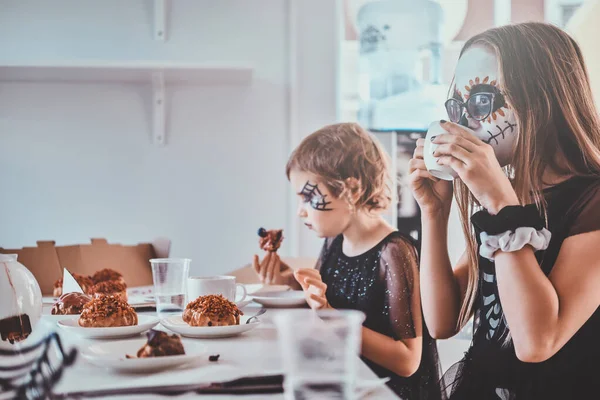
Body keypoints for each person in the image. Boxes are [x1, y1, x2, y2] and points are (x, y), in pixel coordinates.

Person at [409, 22, 600, 399]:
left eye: (482, 100)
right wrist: (434, 213)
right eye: (458, 106)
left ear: (543, 99)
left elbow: (536, 342)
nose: (466, 121)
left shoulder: (590, 201)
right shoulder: (513, 198)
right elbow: (442, 321)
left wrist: (500, 204)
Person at [253, 122, 443, 399]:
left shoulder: (394, 252)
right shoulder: (335, 240)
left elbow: (407, 361)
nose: (300, 212)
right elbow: (326, 300)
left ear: (351, 190)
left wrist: (332, 318)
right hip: (348, 381)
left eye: (308, 197)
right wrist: (290, 282)